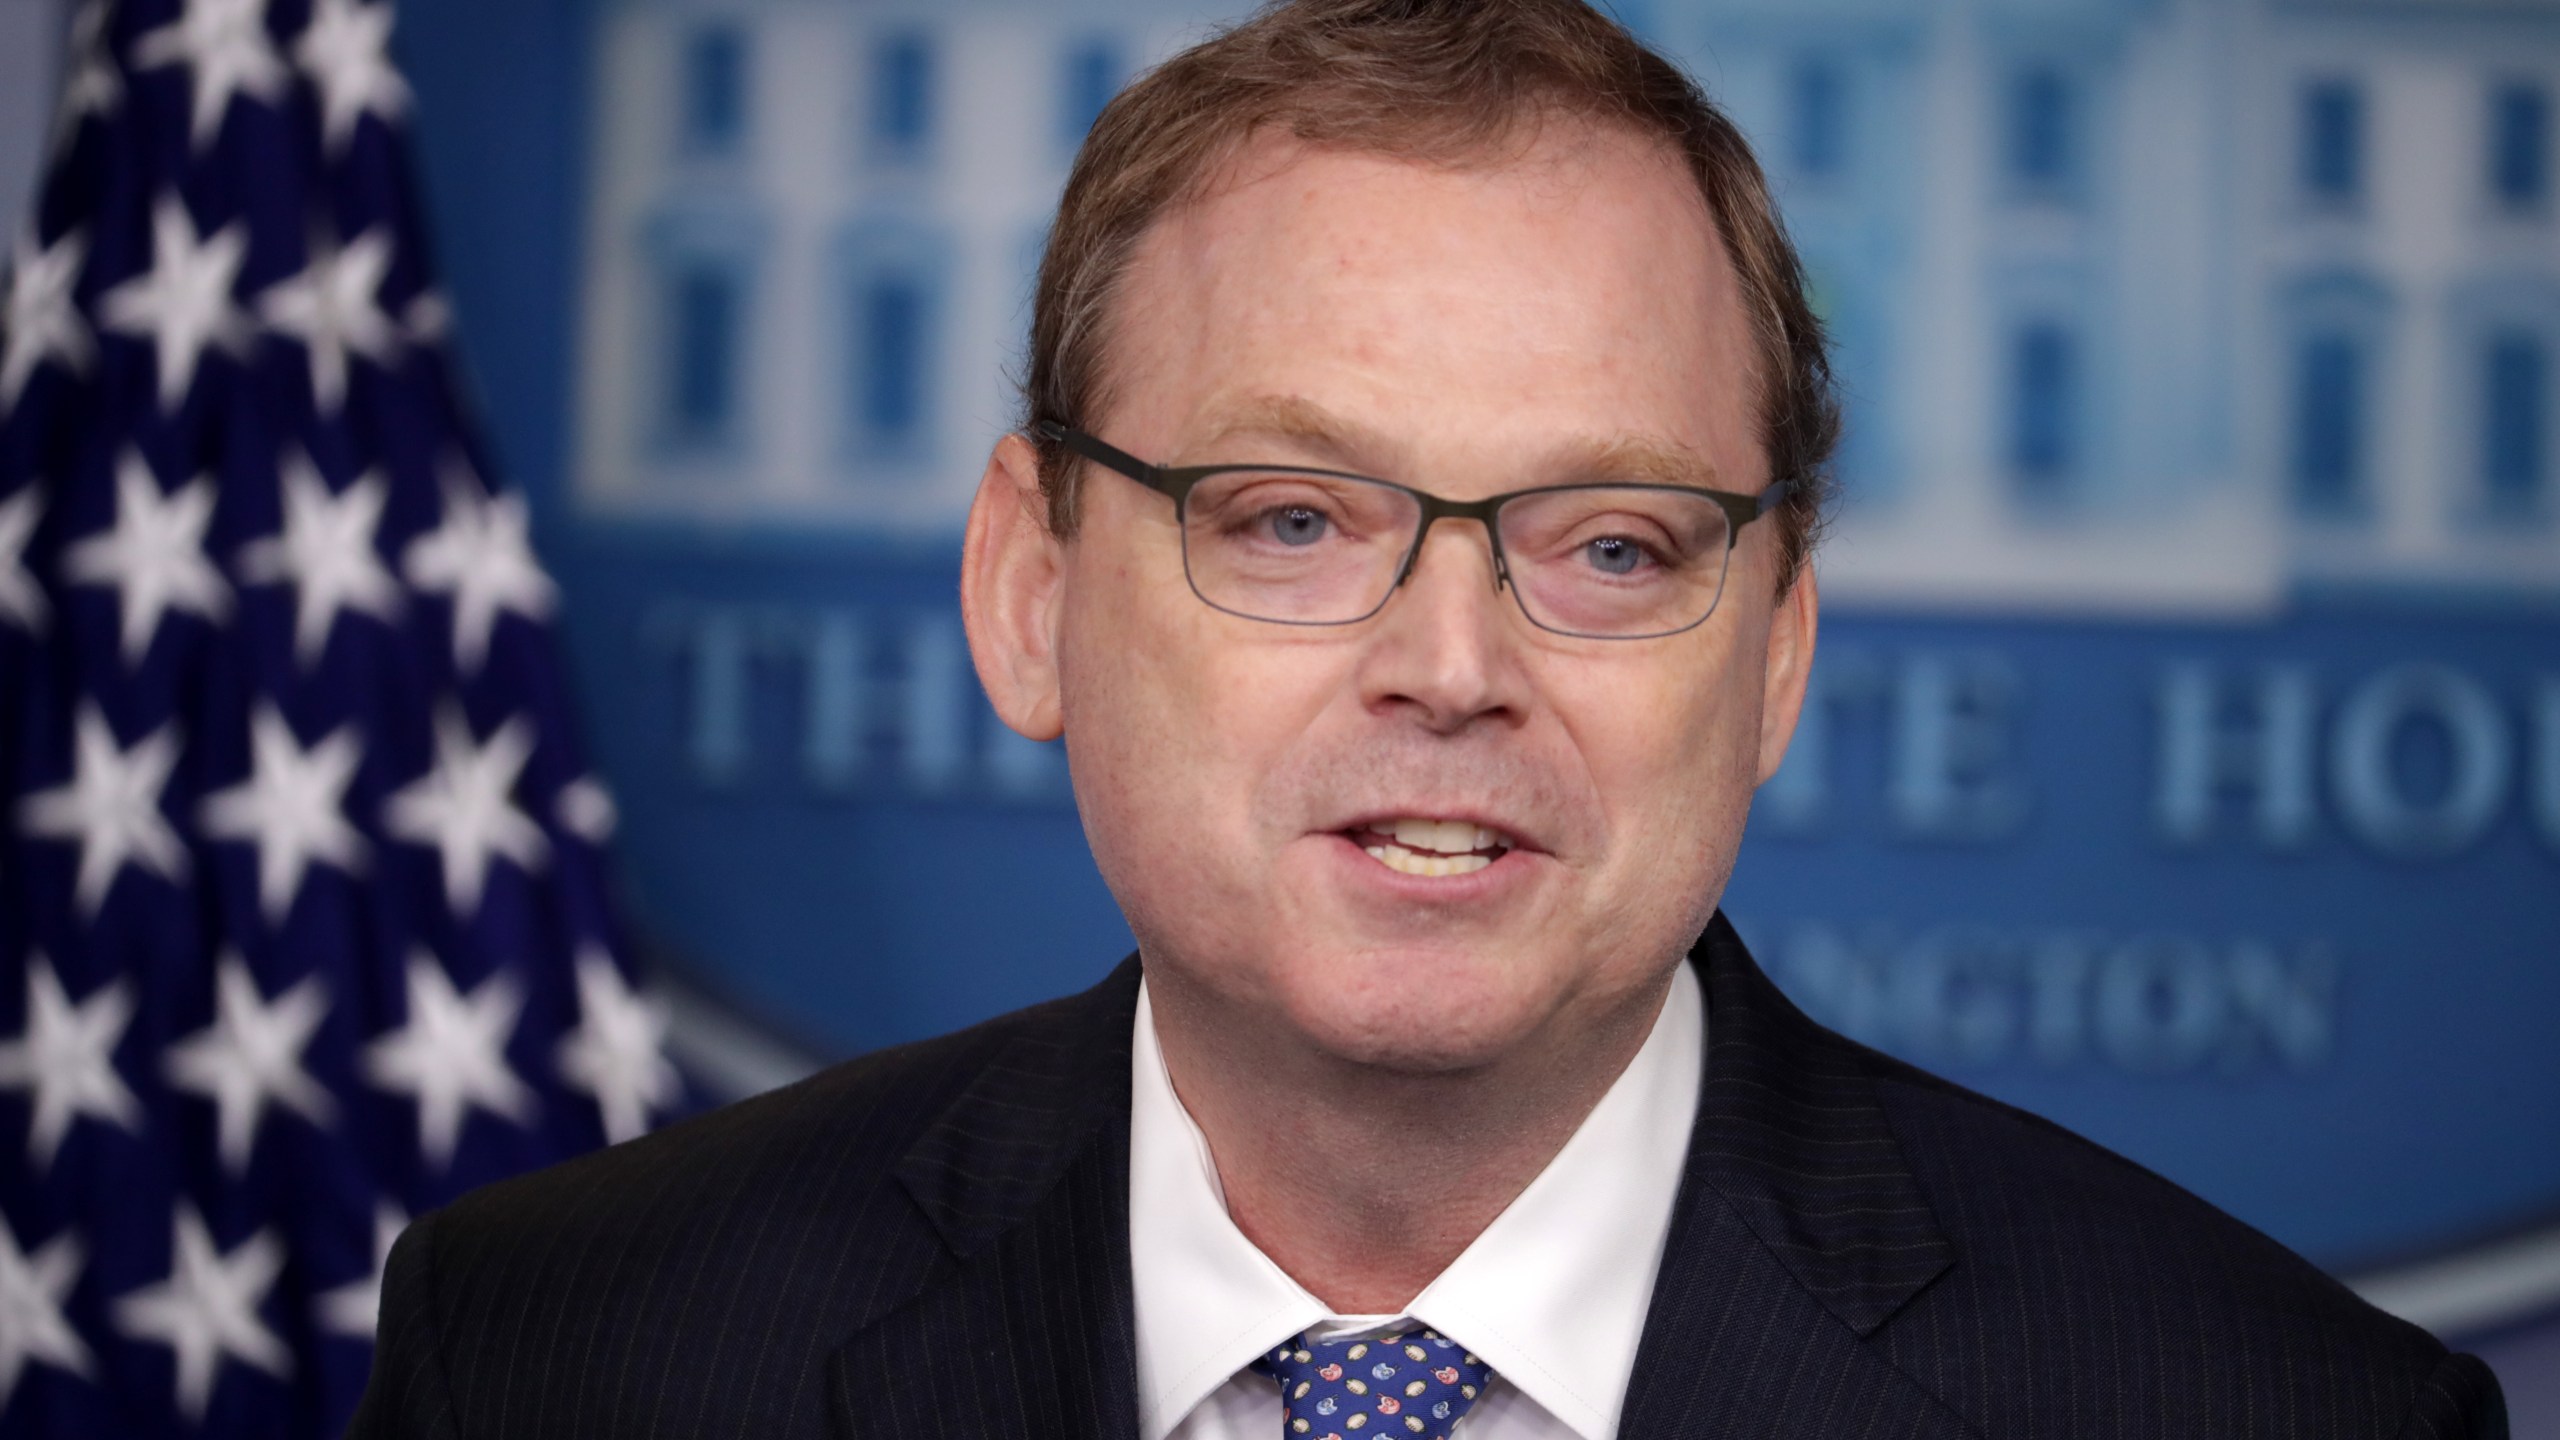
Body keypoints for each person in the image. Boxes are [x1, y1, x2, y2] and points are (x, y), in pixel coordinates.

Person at [350, 2, 2507, 1436]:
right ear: (1029, 591)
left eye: (1610, 547)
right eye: (1291, 518)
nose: (1450, 664)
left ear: (1770, 653)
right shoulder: (568, 1354)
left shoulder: (2258, 1411)